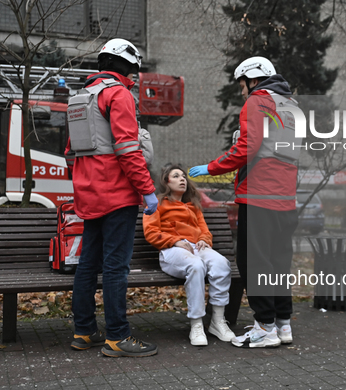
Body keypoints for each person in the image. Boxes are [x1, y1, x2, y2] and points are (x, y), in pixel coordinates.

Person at [189, 56, 298, 348]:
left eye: (243, 84)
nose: (242, 92)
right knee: (278, 262)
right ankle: (282, 324)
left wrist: (211, 167)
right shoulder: (291, 106)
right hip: (286, 198)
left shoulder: (258, 101)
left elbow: (248, 146)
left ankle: (265, 328)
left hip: (260, 196)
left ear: (253, 78)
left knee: (255, 263)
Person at [65, 38, 159, 357]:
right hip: (117, 194)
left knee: (88, 265)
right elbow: (128, 150)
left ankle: (84, 331)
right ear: (123, 65)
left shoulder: (81, 98)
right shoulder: (118, 94)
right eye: (133, 68)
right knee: (116, 267)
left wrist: (85, 182)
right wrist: (147, 190)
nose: (134, 74)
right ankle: (118, 337)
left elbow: (70, 152)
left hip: (89, 195)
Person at [142, 165, 236, 346]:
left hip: (197, 248)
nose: (182, 179)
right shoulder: (157, 203)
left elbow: (205, 231)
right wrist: (175, 241)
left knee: (222, 263)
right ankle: (197, 324)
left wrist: (203, 240)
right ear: (166, 182)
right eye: (176, 176)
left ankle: (217, 321)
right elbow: (151, 232)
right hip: (172, 250)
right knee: (196, 266)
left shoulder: (193, 206)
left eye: (184, 176)